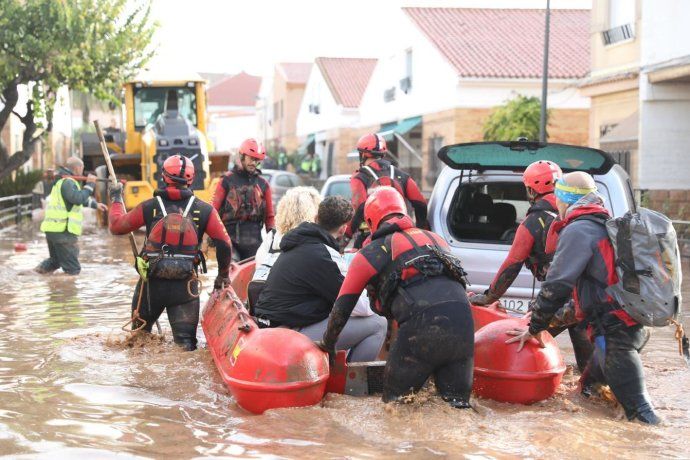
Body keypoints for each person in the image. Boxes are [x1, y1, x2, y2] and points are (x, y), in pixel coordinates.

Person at [506, 171, 661, 424]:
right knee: (588, 393)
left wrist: (535, 327)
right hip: (621, 328)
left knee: (641, 414)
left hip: (615, 336)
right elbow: (586, 292)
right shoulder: (602, 223)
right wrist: (544, 320)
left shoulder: (579, 229)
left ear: (564, 199)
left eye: (557, 198)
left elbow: (557, 285)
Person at [320, 187, 474, 408]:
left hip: (421, 326)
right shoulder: (437, 240)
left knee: (395, 409)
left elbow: (342, 307)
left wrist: (328, 343)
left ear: (371, 220)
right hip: (464, 324)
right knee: (457, 408)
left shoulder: (371, 252)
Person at [469, 160, 593, 372]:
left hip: (560, 300)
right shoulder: (583, 216)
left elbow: (513, 264)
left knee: (524, 343)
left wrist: (490, 297)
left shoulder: (533, 222)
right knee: (590, 371)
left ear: (530, 189)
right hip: (588, 299)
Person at [108, 155, 233, 351]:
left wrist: (116, 198)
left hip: (150, 288)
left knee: (138, 344)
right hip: (185, 289)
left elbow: (116, 227)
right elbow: (225, 244)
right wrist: (222, 276)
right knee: (185, 349)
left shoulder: (150, 207)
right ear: (191, 180)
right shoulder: (204, 210)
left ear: (163, 177)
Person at [254, 196, 386, 362]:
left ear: (316, 218)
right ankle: (348, 384)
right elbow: (358, 307)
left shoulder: (295, 243)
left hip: (267, 327)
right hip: (288, 336)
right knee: (379, 323)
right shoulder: (324, 256)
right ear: (343, 229)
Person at [346, 133, 428, 248]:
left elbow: (358, 208)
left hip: (370, 240)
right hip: (403, 237)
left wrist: (345, 238)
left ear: (363, 155)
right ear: (383, 154)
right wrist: (420, 229)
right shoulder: (402, 175)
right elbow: (421, 204)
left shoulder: (360, 177)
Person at [35, 157, 108, 275]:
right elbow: (77, 198)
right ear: (77, 168)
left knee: (55, 261)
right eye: (82, 167)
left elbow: (74, 200)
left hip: (53, 230)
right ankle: (67, 290)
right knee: (73, 270)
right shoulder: (68, 182)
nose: (83, 170)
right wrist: (90, 184)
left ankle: (33, 275)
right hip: (63, 230)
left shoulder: (62, 181)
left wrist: (95, 204)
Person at [211, 138, 275, 260]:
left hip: (255, 244)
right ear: (242, 157)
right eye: (251, 158)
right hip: (230, 242)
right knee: (231, 275)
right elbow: (212, 210)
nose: (254, 163)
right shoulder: (226, 181)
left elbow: (270, 217)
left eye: (257, 160)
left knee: (253, 277)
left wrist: (273, 240)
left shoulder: (263, 185)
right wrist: (212, 236)